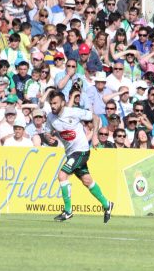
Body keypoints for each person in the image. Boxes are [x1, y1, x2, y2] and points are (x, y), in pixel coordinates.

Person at [45, 90, 113, 222]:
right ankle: (107, 204)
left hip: (81, 151)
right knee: (87, 181)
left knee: (62, 175)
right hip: (71, 153)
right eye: (51, 103)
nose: (52, 106)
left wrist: (94, 136)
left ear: (62, 103)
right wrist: (49, 139)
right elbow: (47, 133)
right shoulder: (50, 117)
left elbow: (96, 118)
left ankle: (68, 211)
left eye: (55, 103)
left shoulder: (73, 112)